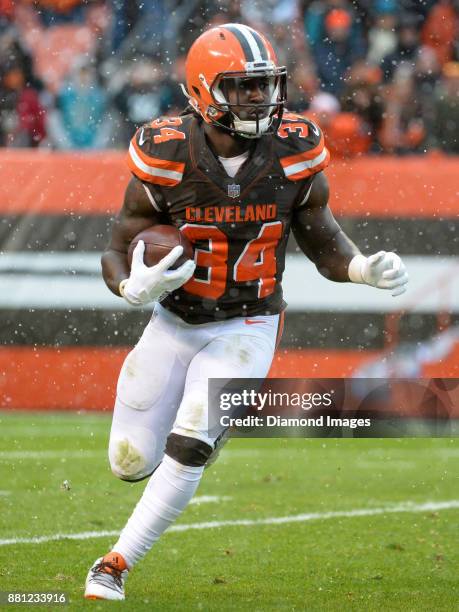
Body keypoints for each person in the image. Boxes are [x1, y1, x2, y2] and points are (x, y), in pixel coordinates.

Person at [84, 23, 408, 601]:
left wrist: (361, 269)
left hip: (250, 322)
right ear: (204, 91)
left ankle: (114, 564)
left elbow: (324, 239)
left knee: (191, 443)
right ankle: (199, 433)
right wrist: (130, 288)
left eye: (266, 85)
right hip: (175, 322)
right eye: (243, 87)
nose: (260, 99)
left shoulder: (295, 148)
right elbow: (116, 248)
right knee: (130, 462)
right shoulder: (166, 151)